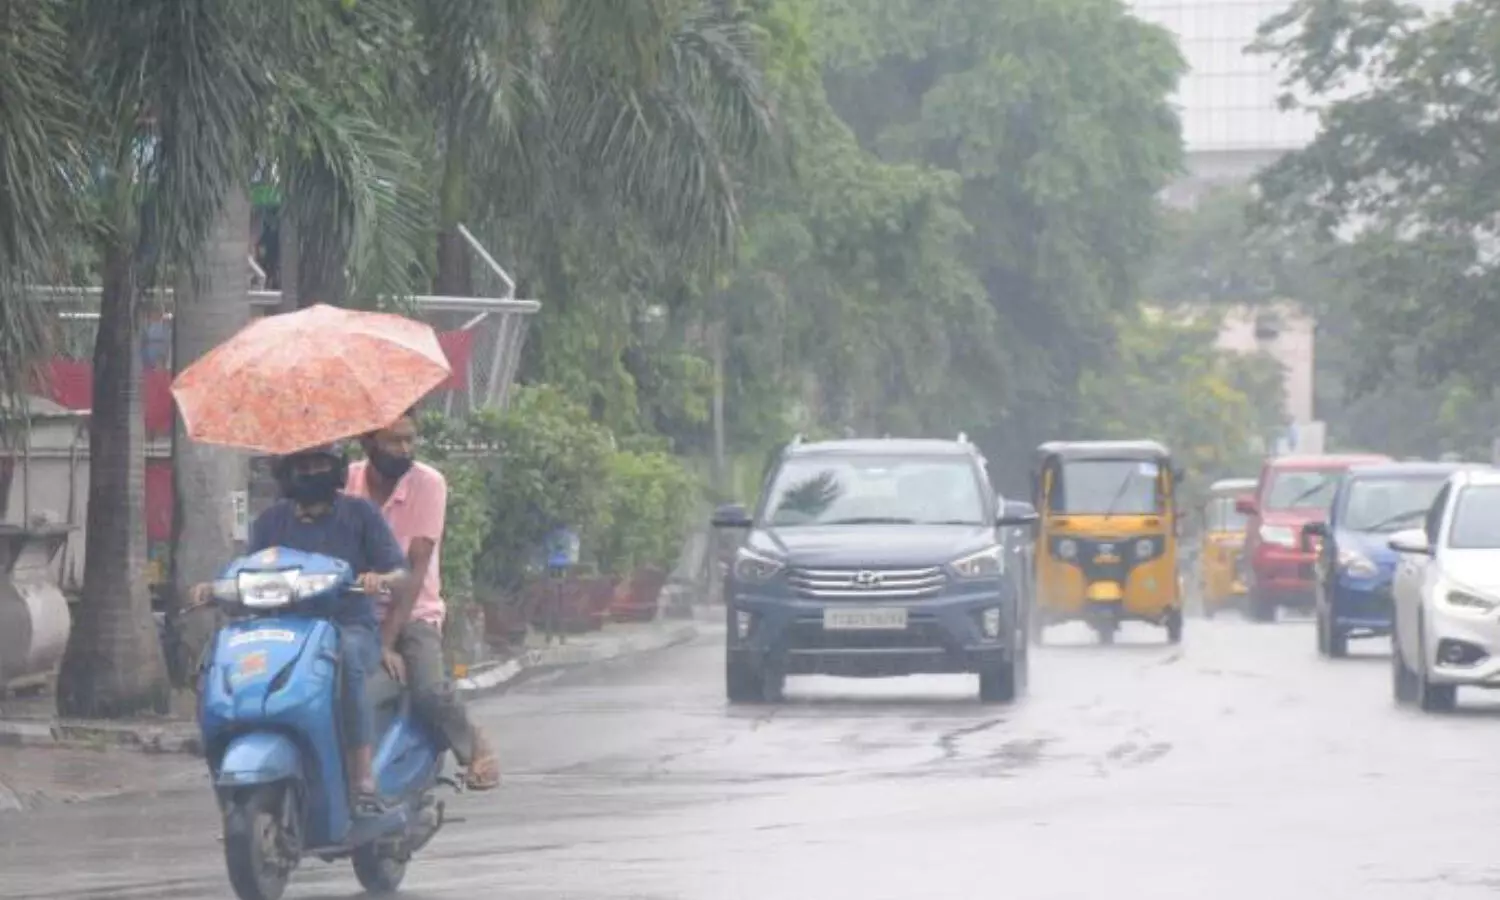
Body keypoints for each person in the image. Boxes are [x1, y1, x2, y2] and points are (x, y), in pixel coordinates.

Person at [191, 441, 410, 814]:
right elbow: (247, 570)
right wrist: (213, 589)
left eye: (319, 463)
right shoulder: (271, 522)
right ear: (286, 473)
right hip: (280, 630)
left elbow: (401, 573)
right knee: (211, 664)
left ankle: (362, 776)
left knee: (348, 667)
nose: (311, 472)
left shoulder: (360, 515)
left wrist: (379, 579)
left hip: (346, 627)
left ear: (337, 469)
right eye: (302, 464)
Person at [347, 409, 502, 790]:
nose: (405, 449)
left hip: (414, 609)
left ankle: (474, 746)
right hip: (355, 608)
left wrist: (386, 642)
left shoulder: (428, 483)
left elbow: (415, 570)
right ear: (368, 443)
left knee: (429, 688)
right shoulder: (346, 480)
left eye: (410, 440)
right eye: (393, 441)